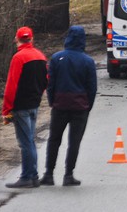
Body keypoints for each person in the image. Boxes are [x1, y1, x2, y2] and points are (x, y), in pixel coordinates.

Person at [41, 26, 98, 187]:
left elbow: (50, 83)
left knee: (54, 140)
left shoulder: (57, 58)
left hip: (60, 105)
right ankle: (68, 175)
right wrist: (88, 106)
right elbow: (92, 88)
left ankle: (49, 174)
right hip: (80, 107)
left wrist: (52, 101)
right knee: (74, 142)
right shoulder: (87, 61)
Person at [2, 27, 48, 189]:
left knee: (25, 142)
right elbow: (46, 80)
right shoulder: (40, 56)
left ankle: (27, 176)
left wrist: (6, 109)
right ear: (32, 39)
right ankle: (33, 176)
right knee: (30, 140)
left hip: (21, 106)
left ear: (17, 39)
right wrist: (37, 95)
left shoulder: (18, 58)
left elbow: (11, 85)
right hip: (34, 104)